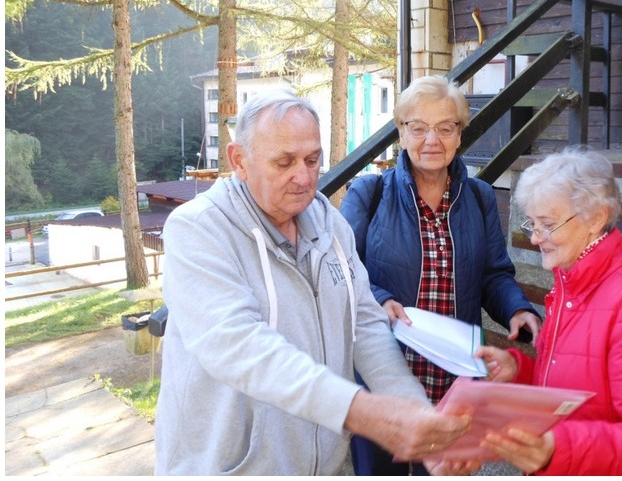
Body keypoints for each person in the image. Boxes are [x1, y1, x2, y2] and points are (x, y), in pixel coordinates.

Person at [153, 90, 473, 476]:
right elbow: (237, 344)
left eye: (313, 159)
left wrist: (419, 417)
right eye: (284, 162)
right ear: (239, 159)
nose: (304, 178)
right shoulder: (198, 229)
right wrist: (359, 410)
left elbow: (366, 326)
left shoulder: (330, 224)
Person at [340, 75, 542, 475]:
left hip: (455, 376)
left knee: (451, 470)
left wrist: (517, 309)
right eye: (418, 127)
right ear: (401, 132)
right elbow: (344, 274)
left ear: (459, 135)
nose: (432, 139)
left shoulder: (480, 198)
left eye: (445, 127)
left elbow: (493, 275)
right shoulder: (369, 194)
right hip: (387, 374)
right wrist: (380, 297)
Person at [473, 147, 622, 475]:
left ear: (596, 218)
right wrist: (519, 372)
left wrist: (557, 448)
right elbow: (579, 381)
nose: (534, 238)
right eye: (533, 223)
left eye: (547, 224)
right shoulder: (572, 284)